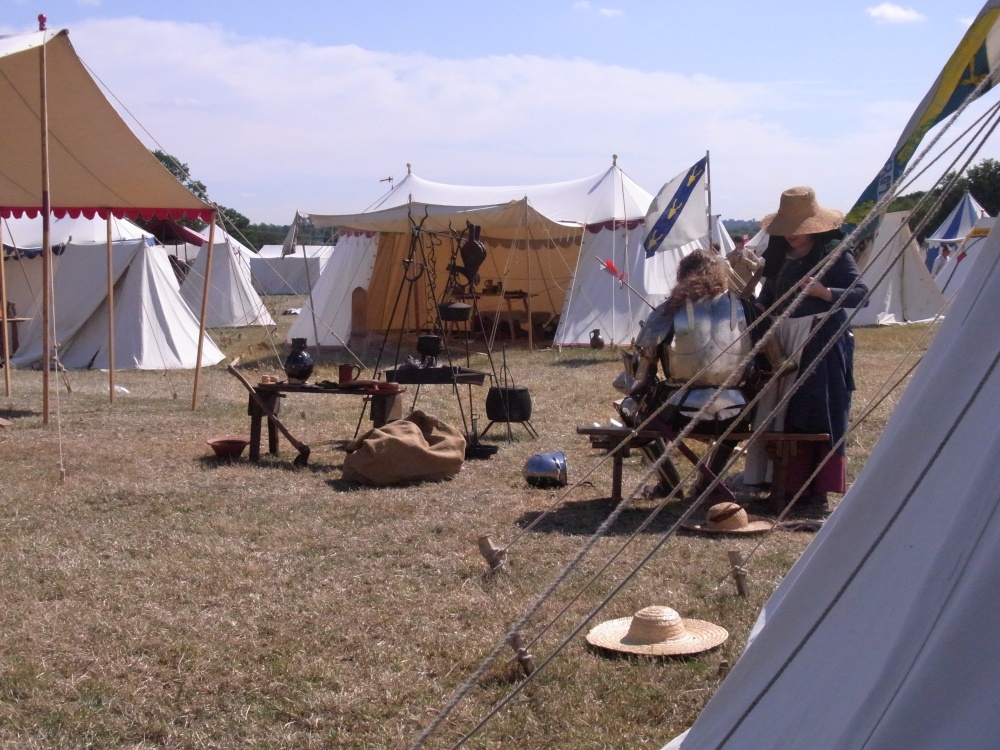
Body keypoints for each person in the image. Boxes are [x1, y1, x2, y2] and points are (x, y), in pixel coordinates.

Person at [742, 186, 869, 512]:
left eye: (798, 229)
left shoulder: (834, 252)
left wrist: (823, 291)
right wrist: (755, 308)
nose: (792, 236)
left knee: (816, 414)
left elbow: (860, 294)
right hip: (782, 344)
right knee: (781, 415)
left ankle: (817, 494)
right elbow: (768, 296)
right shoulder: (778, 255)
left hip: (822, 342)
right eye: (787, 230)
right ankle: (782, 487)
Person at [620, 248, 756, 498]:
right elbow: (766, 361)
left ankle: (670, 484)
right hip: (734, 411)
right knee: (737, 417)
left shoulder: (667, 310)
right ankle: (707, 483)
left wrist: (639, 391)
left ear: (683, 274)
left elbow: (642, 374)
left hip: (680, 411)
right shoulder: (745, 308)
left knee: (629, 408)